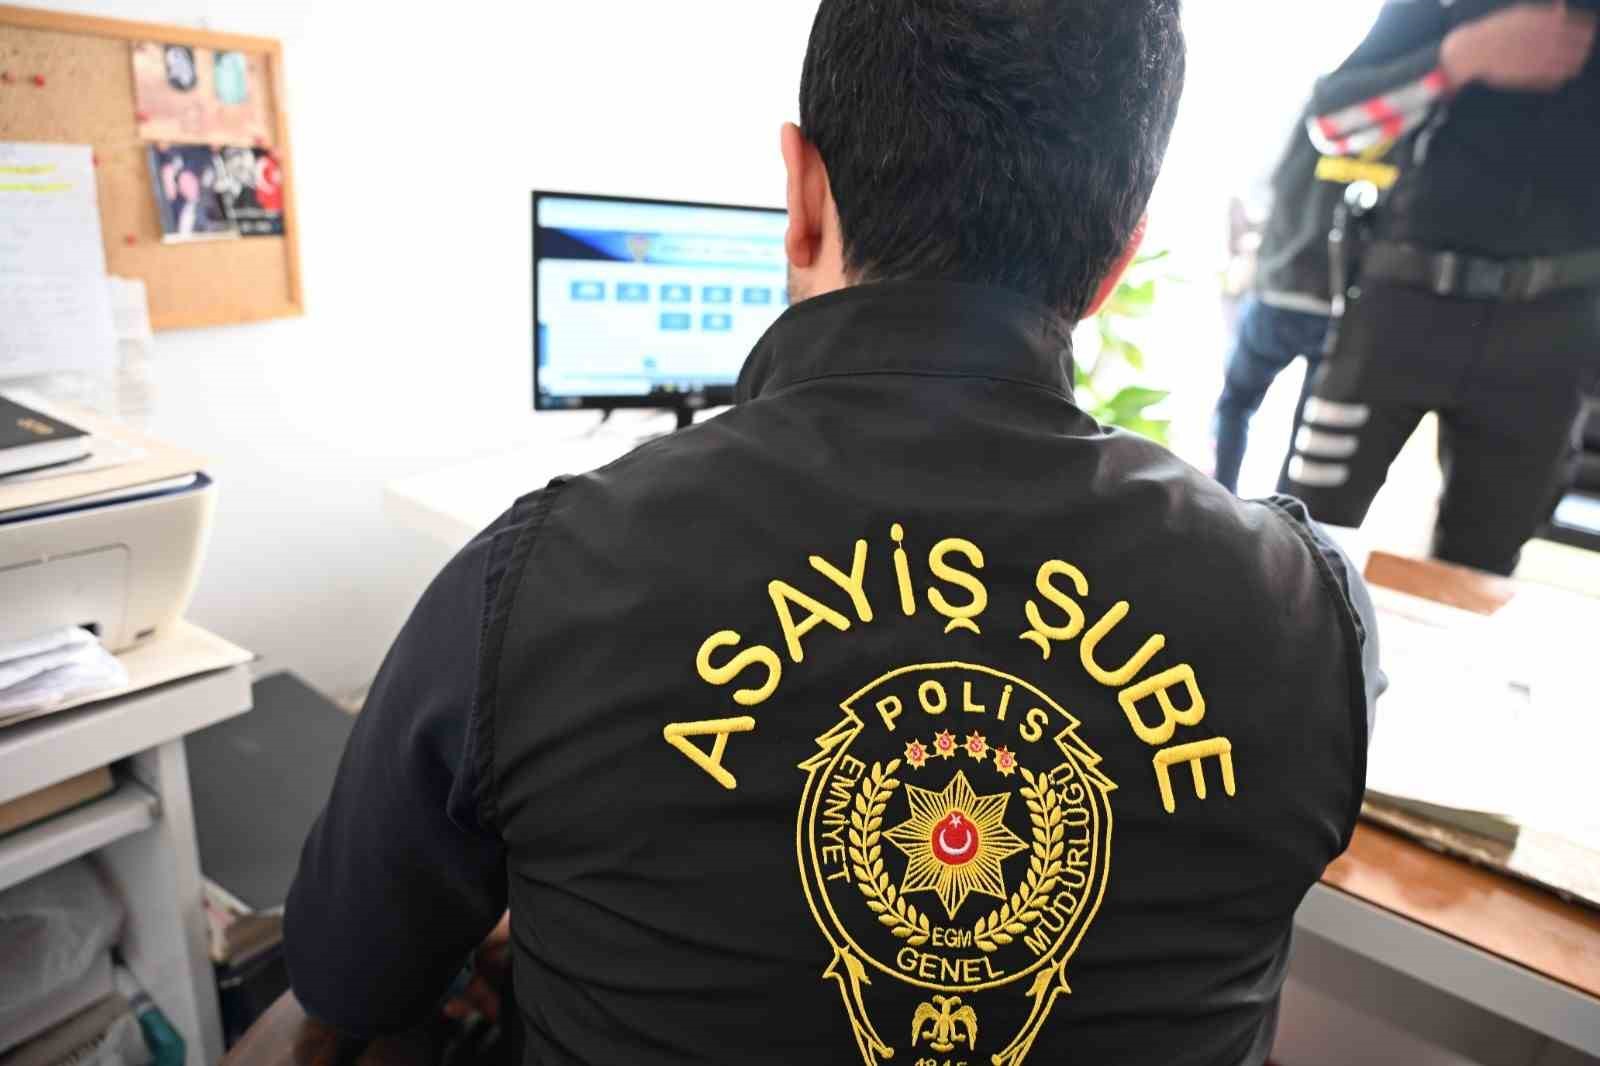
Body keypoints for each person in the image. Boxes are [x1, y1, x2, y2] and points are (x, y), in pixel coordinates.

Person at [286, 3, 1382, 1064]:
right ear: (1115, 261)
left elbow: (350, 978)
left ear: (802, 194)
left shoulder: (532, 580)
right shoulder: (1305, 615)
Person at [1279, 0, 1600, 576]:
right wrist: (1461, 58)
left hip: (1551, 338)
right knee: (1298, 540)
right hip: (1399, 308)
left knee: (1482, 569)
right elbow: (1332, 124)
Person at [1211, 103, 1408, 494]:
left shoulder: (1314, 108)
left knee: (1237, 403)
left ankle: (1219, 497)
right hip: (1343, 306)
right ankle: (1287, 518)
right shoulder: (1404, 121)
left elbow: (1257, 190)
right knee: (1308, 432)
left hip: (1280, 291)